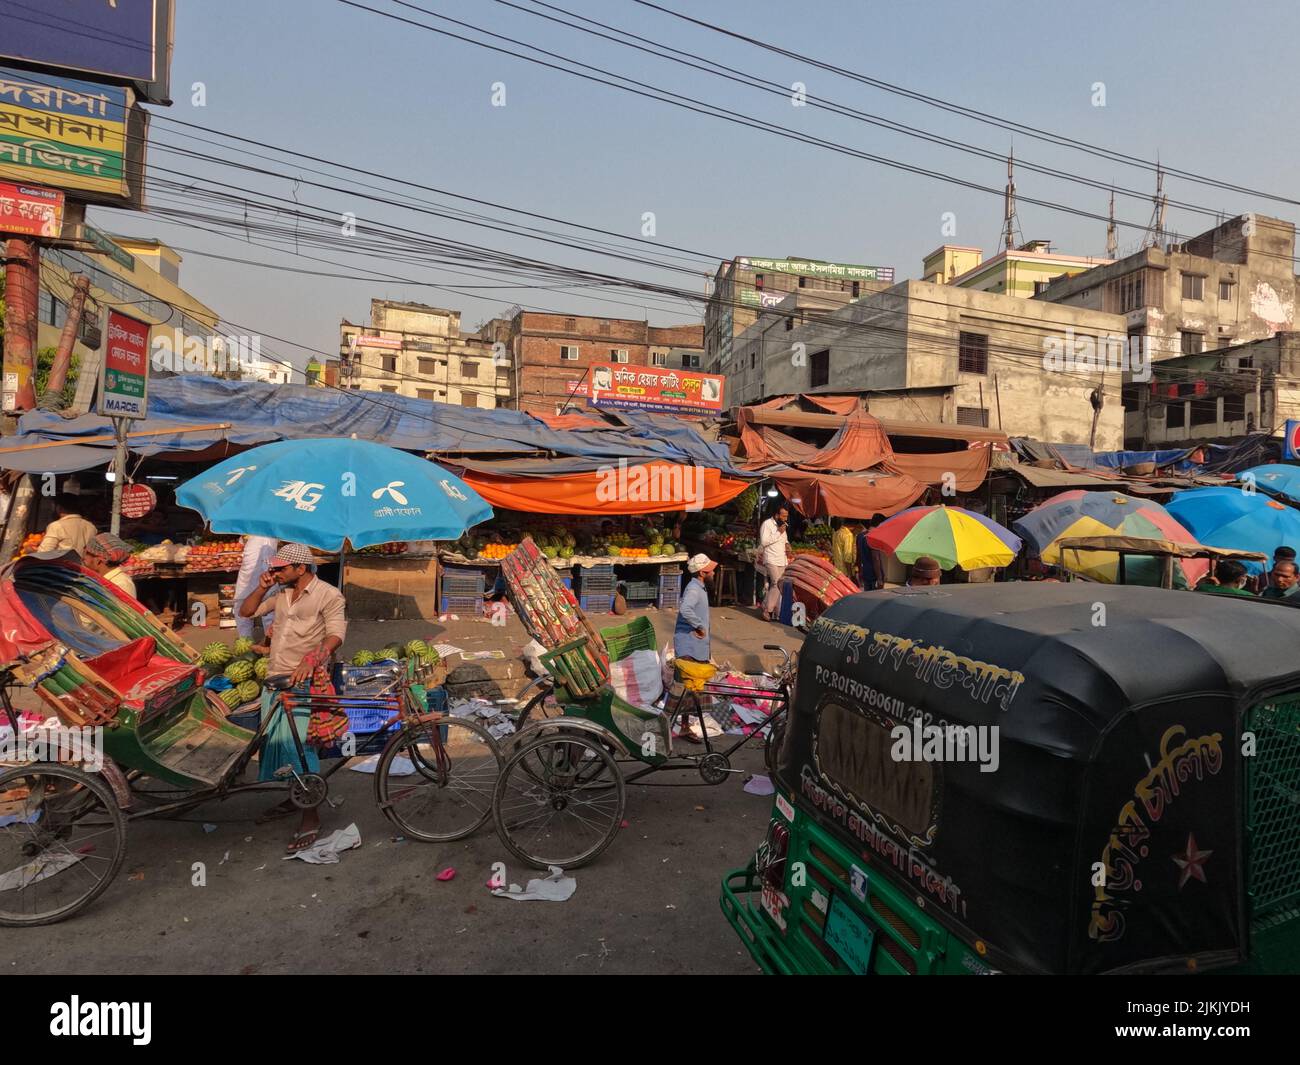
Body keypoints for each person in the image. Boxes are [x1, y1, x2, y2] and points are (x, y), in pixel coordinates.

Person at [239, 542, 348, 853]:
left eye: (280, 569)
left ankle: (311, 816)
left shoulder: (329, 595)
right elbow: (246, 612)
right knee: (279, 746)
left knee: (300, 749)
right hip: (275, 679)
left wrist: (314, 658)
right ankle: (294, 796)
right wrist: (260, 589)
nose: (274, 572)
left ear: (301, 569)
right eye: (273, 568)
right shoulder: (280, 594)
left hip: (304, 682)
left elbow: (336, 633)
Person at [673, 554, 718, 741]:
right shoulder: (694, 589)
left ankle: (684, 725)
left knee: (691, 689)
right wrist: (699, 626)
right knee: (684, 689)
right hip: (689, 647)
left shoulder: (699, 587)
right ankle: (677, 725)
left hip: (695, 646)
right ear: (702, 572)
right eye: (710, 569)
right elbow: (685, 609)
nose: (713, 572)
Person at [234, 534, 280, 640]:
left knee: (269, 611)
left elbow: (266, 560)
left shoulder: (266, 537)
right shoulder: (253, 533)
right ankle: (245, 644)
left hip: (263, 575)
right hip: (249, 574)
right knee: (241, 608)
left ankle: (270, 644)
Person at [759, 505, 791, 621]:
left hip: (782, 559)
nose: (785, 518)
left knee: (779, 585)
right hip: (771, 558)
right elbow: (764, 542)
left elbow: (784, 539)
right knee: (775, 583)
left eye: (787, 516)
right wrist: (778, 532)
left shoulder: (784, 526)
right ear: (777, 515)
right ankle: (768, 610)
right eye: (783, 516)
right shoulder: (767, 524)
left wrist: (787, 544)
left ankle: (770, 607)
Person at [83, 533, 137, 598]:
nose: (83, 557)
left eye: (87, 553)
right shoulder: (103, 578)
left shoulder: (121, 584)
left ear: (98, 559)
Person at [856, 515, 883, 590]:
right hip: (874, 576)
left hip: (865, 573)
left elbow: (858, 555)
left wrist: (860, 571)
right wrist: (879, 578)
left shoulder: (860, 536)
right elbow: (876, 558)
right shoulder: (874, 537)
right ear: (880, 524)